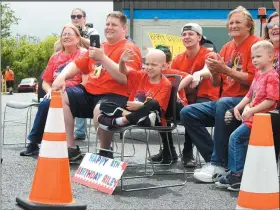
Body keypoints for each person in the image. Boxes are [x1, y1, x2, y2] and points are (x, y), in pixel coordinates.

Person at [180, 6, 261, 183]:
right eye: (230, 22)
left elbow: (255, 79)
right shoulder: (226, 47)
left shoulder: (256, 44)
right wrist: (216, 72)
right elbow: (218, 82)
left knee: (223, 103)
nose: (233, 25)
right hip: (225, 101)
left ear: (249, 25)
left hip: (248, 101)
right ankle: (216, 161)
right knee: (188, 112)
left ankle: (218, 162)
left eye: (238, 22)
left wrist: (225, 69)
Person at [52, 11, 142, 161]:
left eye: (114, 25)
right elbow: (76, 64)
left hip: (117, 95)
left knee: (99, 109)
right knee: (62, 96)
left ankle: (105, 151)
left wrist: (103, 58)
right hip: (90, 92)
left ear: (124, 29)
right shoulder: (99, 46)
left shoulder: (129, 49)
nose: (109, 27)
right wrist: (62, 76)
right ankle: (71, 148)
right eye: (107, 24)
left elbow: (125, 79)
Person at [150, 23, 220, 167]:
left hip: (206, 98)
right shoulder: (178, 59)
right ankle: (168, 150)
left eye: (191, 34)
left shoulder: (209, 54)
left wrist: (198, 74)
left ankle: (188, 152)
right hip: (186, 97)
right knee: (157, 107)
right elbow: (170, 80)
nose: (187, 37)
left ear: (199, 37)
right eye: (184, 34)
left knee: (191, 110)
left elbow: (209, 69)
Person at [215, 40, 279, 191]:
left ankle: (237, 175)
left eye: (258, 56)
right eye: (253, 57)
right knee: (240, 141)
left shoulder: (272, 76)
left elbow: (271, 100)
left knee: (236, 138)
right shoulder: (258, 74)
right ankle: (239, 172)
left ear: (271, 57)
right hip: (253, 117)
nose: (255, 60)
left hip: (262, 119)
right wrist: (237, 107)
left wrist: (252, 110)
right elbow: (249, 95)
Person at [20, 24, 87, 156]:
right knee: (46, 102)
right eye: (64, 34)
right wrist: (49, 90)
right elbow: (46, 81)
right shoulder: (55, 57)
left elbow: (86, 79)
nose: (66, 36)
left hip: (74, 92)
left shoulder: (83, 54)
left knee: (48, 104)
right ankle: (34, 143)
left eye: (69, 34)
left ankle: (52, 144)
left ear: (78, 38)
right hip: (56, 92)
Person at [97, 49, 172, 158]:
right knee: (105, 104)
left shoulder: (166, 84)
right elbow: (123, 71)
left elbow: (158, 107)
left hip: (152, 116)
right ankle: (126, 116)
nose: (149, 67)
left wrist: (141, 106)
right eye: (147, 64)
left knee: (153, 103)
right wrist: (122, 61)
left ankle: (123, 119)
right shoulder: (142, 75)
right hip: (133, 112)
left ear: (164, 67)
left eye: (154, 65)